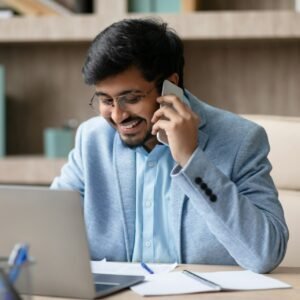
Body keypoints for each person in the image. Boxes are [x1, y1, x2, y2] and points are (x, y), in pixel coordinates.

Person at [51, 18, 288, 273]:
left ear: (170, 85)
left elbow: (265, 254)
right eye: (106, 100)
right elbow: (45, 224)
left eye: (130, 98)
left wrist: (191, 160)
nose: (118, 115)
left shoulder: (241, 139)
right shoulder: (92, 140)